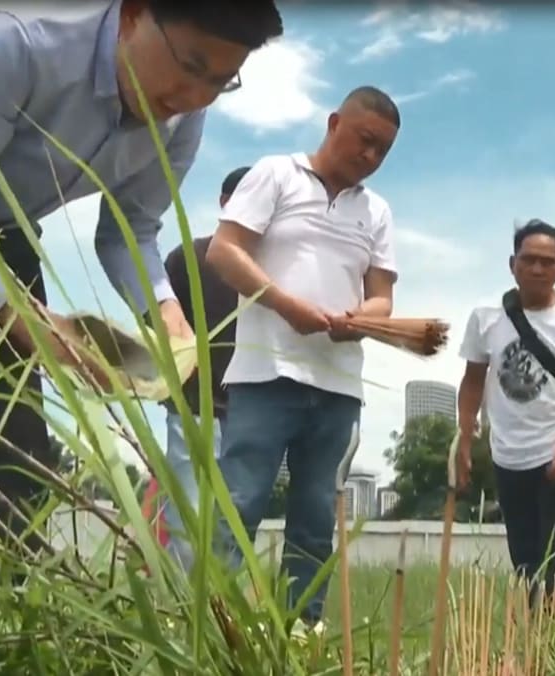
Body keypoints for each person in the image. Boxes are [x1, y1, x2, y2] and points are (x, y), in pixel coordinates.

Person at [0, 0, 283, 599]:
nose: (193, 94)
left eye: (219, 81)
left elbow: (130, 232)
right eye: (189, 65)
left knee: (16, 433)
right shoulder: (17, 38)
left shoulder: (182, 115)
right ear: (135, 14)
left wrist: (166, 315)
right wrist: (25, 318)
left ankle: (8, 612)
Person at [205, 85, 401, 626]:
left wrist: (362, 320)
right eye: (365, 141)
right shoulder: (276, 173)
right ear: (335, 123)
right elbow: (225, 250)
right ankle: (212, 616)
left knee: (316, 515)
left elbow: (382, 296)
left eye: (382, 151)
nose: (370, 158)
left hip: (338, 383)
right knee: (241, 499)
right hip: (267, 373)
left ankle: (301, 627)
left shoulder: (377, 211)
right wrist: (287, 306)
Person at [455, 219, 555, 609]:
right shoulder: (486, 316)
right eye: (529, 260)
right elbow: (473, 379)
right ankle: (535, 650)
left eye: (548, 261)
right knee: (525, 562)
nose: (538, 269)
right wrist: (464, 436)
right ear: (513, 264)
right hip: (508, 456)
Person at [142, 165, 249, 566]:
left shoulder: (269, 270)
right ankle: (186, 613)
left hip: (250, 414)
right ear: (224, 203)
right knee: (190, 519)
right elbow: (157, 318)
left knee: (229, 524)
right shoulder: (188, 257)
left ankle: (219, 618)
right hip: (194, 409)